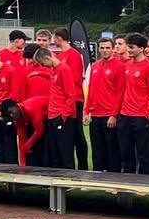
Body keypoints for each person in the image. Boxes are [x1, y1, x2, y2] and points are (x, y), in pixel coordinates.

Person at [118, 34, 149, 175]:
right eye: (128, 46)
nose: (128, 50)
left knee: (144, 152)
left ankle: (146, 179)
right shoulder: (127, 66)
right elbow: (123, 90)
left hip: (140, 116)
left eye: (131, 47)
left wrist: (147, 114)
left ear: (141, 49)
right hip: (125, 115)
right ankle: (128, 179)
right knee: (125, 151)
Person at [52, 28, 89, 170]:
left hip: (75, 99)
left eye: (54, 37)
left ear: (59, 38)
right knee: (68, 135)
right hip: (64, 100)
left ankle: (83, 165)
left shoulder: (74, 54)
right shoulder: (60, 55)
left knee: (78, 133)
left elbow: (75, 79)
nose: (53, 41)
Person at [85, 38, 124, 173]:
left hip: (109, 114)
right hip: (95, 114)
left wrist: (114, 115)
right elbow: (91, 90)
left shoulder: (119, 66)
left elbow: (120, 93)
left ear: (113, 49)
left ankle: (113, 176)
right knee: (97, 148)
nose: (105, 50)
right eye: (102, 48)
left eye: (107, 48)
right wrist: (86, 111)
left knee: (112, 148)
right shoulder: (95, 66)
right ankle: (97, 174)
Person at [37, 46, 77, 169]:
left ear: (47, 58)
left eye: (43, 63)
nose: (43, 66)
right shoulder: (54, 70)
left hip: (62, 115)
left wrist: (64, 115)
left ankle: (69, 177)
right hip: (53, 114)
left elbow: (71, 94)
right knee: (54, 152)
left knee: (65, 151)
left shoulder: (63, 69)